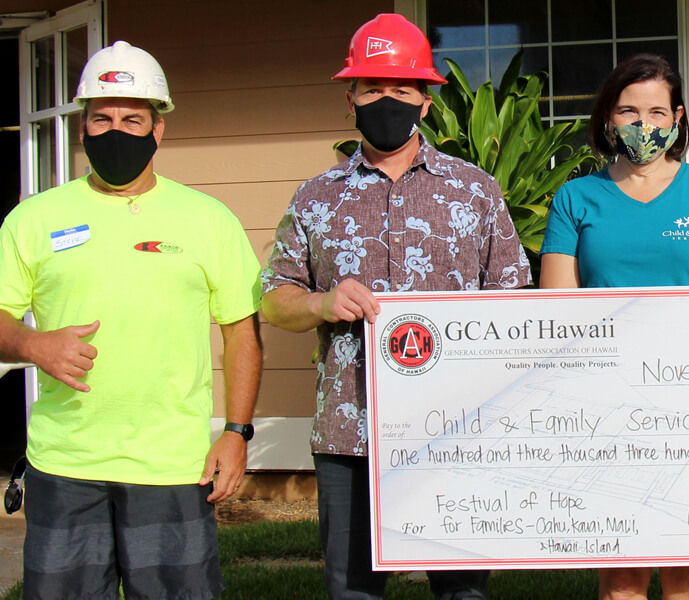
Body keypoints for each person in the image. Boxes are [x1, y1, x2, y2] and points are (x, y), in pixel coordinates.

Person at [260, 13, 530, 600]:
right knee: (353, 588)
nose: (387, 100)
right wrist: (321, 302)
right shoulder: (316, 197)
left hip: (454, 427)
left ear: (426, 102)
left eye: (402, 90)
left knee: (462, 590)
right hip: (349, 430)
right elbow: (275, 302)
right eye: (372, 88)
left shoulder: (475, 190)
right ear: (350, 99)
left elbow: (512, 300)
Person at [0, 41, 263, 599]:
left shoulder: (209, 220)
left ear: (158, 129)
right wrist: (30, 342)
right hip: (65, 462)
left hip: (172, 465)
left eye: (132, 119)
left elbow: (242, 330)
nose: (116, 130)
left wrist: (237, 432)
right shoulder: (32, 220)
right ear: (82, 128)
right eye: (102, 118)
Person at [540, 53, 689, 600]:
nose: (644, 124)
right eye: (629, 111)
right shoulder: (576, 197)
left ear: (679, 118)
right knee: (621, 577)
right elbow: (557, 308)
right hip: (605, 404)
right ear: (608, 120)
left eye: (658, 111)